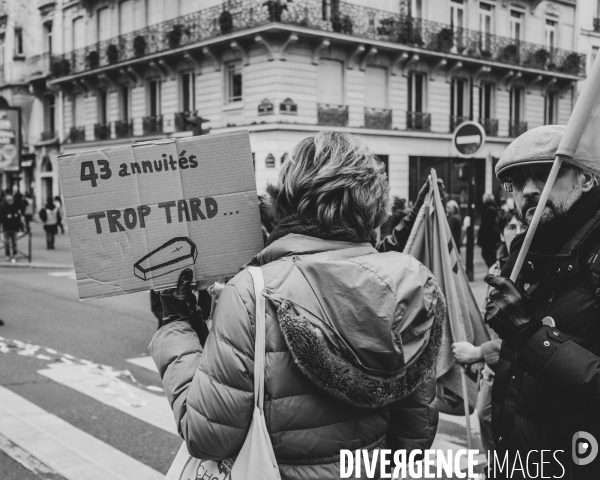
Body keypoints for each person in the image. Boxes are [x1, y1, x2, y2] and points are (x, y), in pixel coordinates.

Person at [150, 131, 446, 479]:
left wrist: (177, 324)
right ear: (375, 204)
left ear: (287, 198)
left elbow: (207, 437)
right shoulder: (409, 286)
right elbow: (416, 434)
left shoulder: (252, 292)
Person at [484, 125, 600, 479]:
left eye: (547, 174)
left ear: (586, 178)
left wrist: (530, 336)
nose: (530, 190)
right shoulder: (523, 256)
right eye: (517, 182)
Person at [451, 209, 524, 460]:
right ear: (502, 232)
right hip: (492, 368)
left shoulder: (531, 266)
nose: (516, 232)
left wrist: (478, 353)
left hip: (511, 367)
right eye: (511, 227)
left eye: (520, 227)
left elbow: (521, 334)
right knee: (484, 418)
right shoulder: (496, 267)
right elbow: (487, 317)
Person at [478, 193, 500, 268]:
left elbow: (484, 225)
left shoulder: (486, 209)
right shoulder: (494, 208)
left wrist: (480, 238)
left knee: (485, 253)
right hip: (493, 235)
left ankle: (493, 269)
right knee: (492, 254)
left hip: (487, 235)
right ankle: (495, 269)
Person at [0, 194, 23, 262]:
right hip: (6, 227)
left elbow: (18, 216)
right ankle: (7, 255)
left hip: (14, 227)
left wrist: (16, 218)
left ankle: (15, 254)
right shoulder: (2, 207)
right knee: (7, 242)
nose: (11, 201)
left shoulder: (14, 207)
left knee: (14, 242)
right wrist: (7, 217)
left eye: (11, 200)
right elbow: (1, 217)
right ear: (6, 201)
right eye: (9, 200)